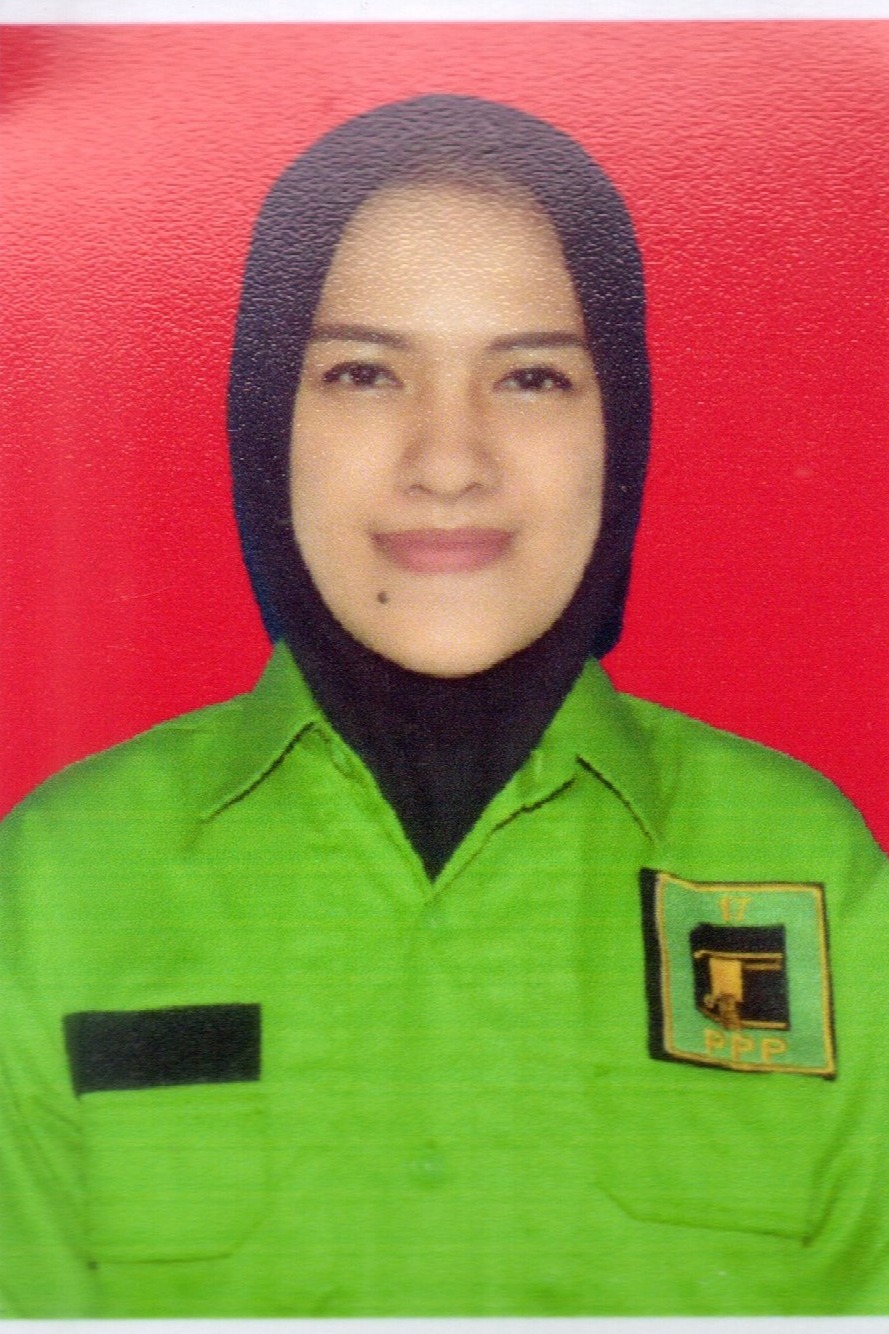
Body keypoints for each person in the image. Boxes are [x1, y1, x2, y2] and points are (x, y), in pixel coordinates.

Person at [1, 94, 887, 1319]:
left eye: (529, 375)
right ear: (267, 421)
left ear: (617, 427)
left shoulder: (806, 866)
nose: (450, 461)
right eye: (365, 372)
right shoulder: (59, 878)